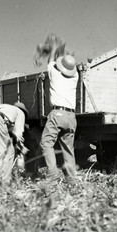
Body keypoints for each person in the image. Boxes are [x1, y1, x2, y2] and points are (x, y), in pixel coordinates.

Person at [40, 54, 79, 183]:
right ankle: (71, 178)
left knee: (46, 143)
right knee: (68, 148)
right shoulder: (75, 77)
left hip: (58, 113)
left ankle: (52, 173)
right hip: (72, 116)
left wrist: (53, 50)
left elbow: (51, 62)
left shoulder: (55, 75)